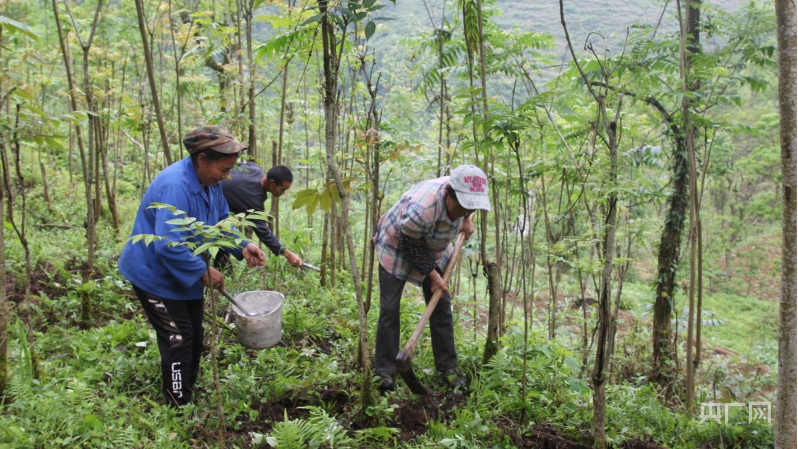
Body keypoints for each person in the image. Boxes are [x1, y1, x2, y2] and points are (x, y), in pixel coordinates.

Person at [118, 125, 266, 407]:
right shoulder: (176, 186)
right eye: (223, 168)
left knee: (194, 335)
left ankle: (187, 388)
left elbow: (219, 225)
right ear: (201, 160)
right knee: (177, 338)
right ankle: (177, 404)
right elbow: (166, 243)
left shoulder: (211, 184)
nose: (227, 175)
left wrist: (242, 246)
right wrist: (201, 270)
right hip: (154, 275)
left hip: (183, 273)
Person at [372, 164, 491, 392]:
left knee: (441, 306)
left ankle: (448, 367)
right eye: (461, 207)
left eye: (469, 208)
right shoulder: (423, 208)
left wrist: (467, 219)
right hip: (398, 243)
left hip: (434, 245)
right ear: (448, 194)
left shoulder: (466, 191)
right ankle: (385, 371)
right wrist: (433, 275)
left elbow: (469, 206)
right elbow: (411, 246)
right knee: (389, 307)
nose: (464, 211)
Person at [219, 162, 303, 267]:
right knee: (222, 250)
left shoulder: (254, 168)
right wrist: (287, 254)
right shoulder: (253, 199)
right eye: (282, 189)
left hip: (221, 217)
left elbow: (237, 165)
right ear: (272, 183)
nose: (283, 193)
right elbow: (263, 232)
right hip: (211, 209)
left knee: (224, 246)